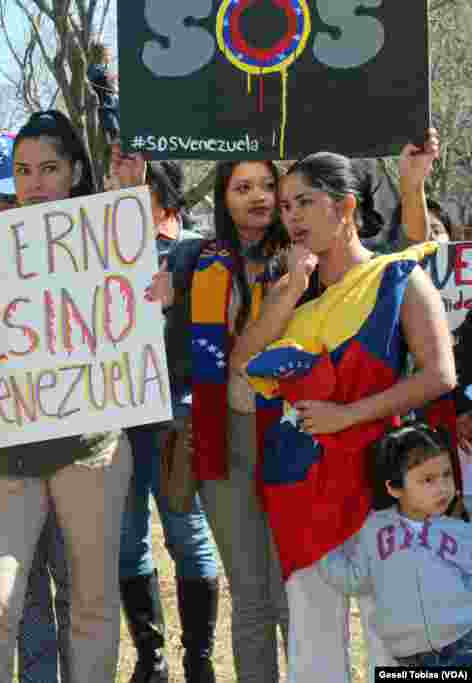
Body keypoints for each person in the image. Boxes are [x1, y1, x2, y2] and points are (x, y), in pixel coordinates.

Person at [232, 151, 456, 681]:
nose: (291, 217)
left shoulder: (397, 277)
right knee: (312, 648)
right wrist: (288, 290)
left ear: (347, 206)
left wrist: (346, 415)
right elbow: (242, 363)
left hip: (381, 488)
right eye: (286, 206)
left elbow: (439, 375)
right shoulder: (288, 291)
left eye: (305, 202)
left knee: (395, 641)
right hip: (301, 488)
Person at [0, 110, 130, 683]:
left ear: (75, 171)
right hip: (7, 456)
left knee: (92, 601)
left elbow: (135, 328)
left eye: (49, 168)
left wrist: (153, 289)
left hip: (91, 449)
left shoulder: (113, 240)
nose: (34, 182)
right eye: (23, 169)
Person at [147, 159, 291, 682]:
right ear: (224, 198)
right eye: (242, 187)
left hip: (292, 438)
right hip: (220, 436)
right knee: (250, 592)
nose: (257, 196)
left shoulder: (308, 259)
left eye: (268, 185)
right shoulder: (198, 258)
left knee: (293, 591)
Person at [113, 155, 220, 683]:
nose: (121, 186)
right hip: (114, 418)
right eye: (116, 180)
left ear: (163, 192)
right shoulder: (99, 247)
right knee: (127, 538)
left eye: (133, 179)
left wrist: (182, 299)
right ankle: (150, 659)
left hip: (176, 412)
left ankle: (199, 660)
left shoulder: (196, 250)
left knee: (186, 532)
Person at [317, 423, 472, 668]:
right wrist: (321, 551)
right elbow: (355, 580)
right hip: (408, 658)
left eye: (447, 474)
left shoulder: (460, 530)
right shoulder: (373, 530)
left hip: (463, 645)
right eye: (428, 480)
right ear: (393, 487)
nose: (442, 487)